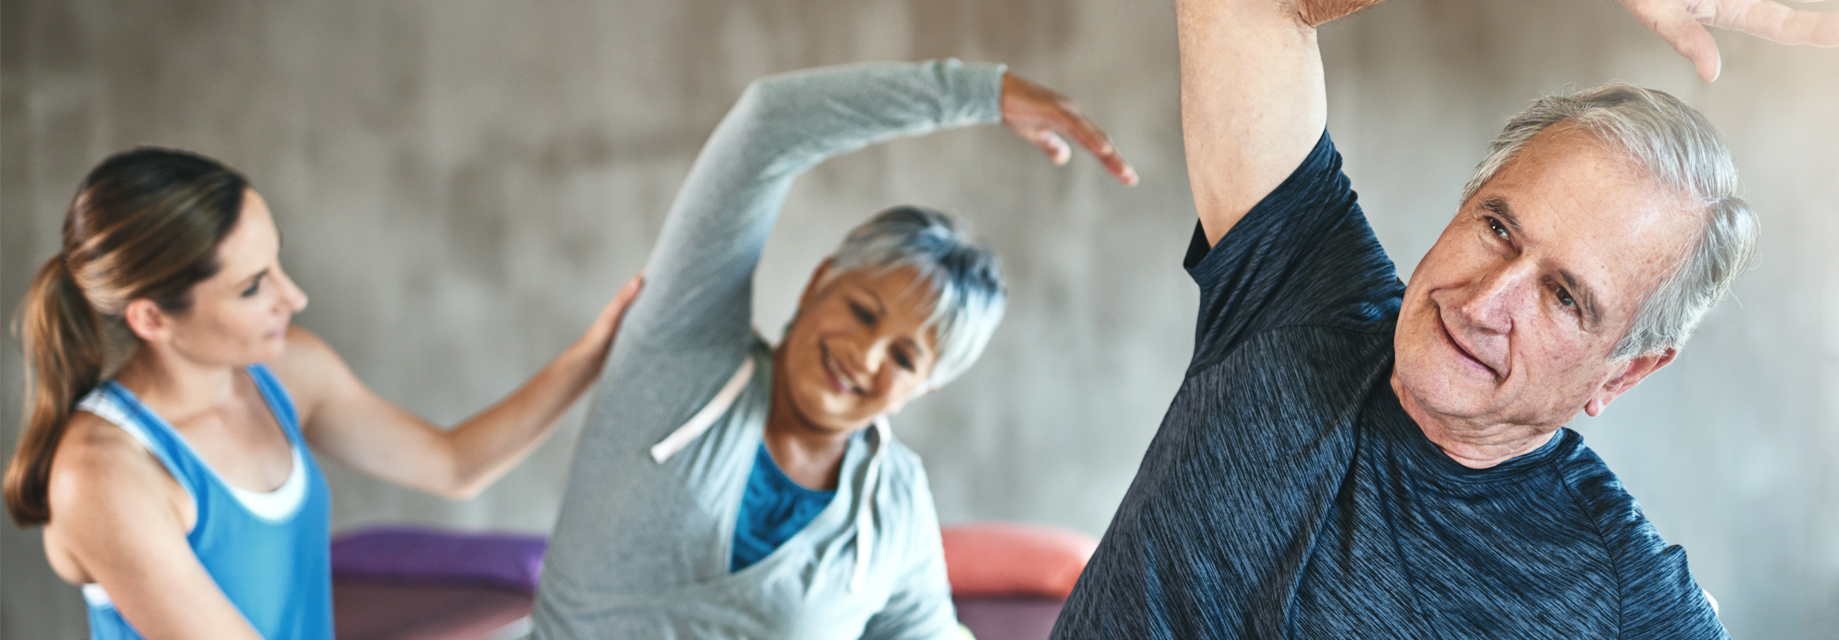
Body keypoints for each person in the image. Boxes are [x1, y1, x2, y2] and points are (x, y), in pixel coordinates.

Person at [1051, 0, 1839, 638]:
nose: (1483, 303)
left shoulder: (1622, 601)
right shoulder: (1298, 286)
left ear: (1625, 370)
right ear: (1463, 204)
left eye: (1564, 297)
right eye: (1498, 228)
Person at [529, 59, 1134, 639]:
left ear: (927, 385)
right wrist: (980, 92)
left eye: (904, 358)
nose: (866, 357)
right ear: (820, 282)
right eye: (862, 312)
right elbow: (766, 125)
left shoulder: (894, 502)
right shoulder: (683, 353)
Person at [5, 148, 643, 639]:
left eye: (276, 264)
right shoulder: (103, 475)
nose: (294, 297)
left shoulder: (287, 372)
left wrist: (594, 354)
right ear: (151, 319)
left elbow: (454, 465)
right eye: (254, 286)